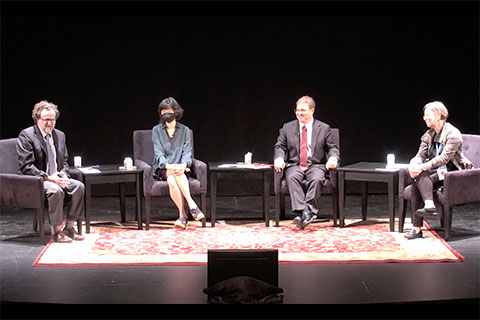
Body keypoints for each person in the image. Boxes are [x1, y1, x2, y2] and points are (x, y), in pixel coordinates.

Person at [17, 100, 85, 243]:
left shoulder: (59, 135)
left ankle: (69, 227)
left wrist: (63, 174)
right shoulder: (27, 135)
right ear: (37, 119)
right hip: (38, 180)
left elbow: (64, 161)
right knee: (56, 190)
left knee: (78, 186)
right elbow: (26, 166)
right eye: (46, 120)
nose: (50, 123)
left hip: (57, 176)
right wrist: (50, 178)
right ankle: (56, 231)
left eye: (53, 120)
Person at [405, 101, 473, 239]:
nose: (424, 118)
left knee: (420, 177)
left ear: (438, 115)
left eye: (427, 114)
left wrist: (422, 166)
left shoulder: (453, 134)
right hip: (435, 171)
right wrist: (414, 164)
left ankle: (420, 222)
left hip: (451, 172)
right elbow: (420, 155)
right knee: (416, 182)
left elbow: (444, 158)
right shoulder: (429, 134)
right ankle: (419, 225)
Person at [274, 95, 340, 229]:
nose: (299, 114)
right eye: (297, 110)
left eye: (303, 110)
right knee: (292, 177)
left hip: (316, 165)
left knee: (316, 179)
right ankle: (306, 212)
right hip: (295, 165)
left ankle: (305, 212)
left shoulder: (324, 128)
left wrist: (333, 159)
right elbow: (280, 146)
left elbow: (332, 148)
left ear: (312, 110)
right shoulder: (287, 127)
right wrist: (279, 158)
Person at [152, 97, 205, 229]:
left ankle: (182, 216)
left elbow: (187, 152)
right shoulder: (156, 130)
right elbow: (158, 153)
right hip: (163, 168)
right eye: (163, 112)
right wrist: (168, 165)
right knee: (171, 173)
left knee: (172, 179)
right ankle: (192, 204)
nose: (166, 115)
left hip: (179, 169)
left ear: (176, 112)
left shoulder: (185, 130)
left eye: (169, 111)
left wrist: (184, 165)